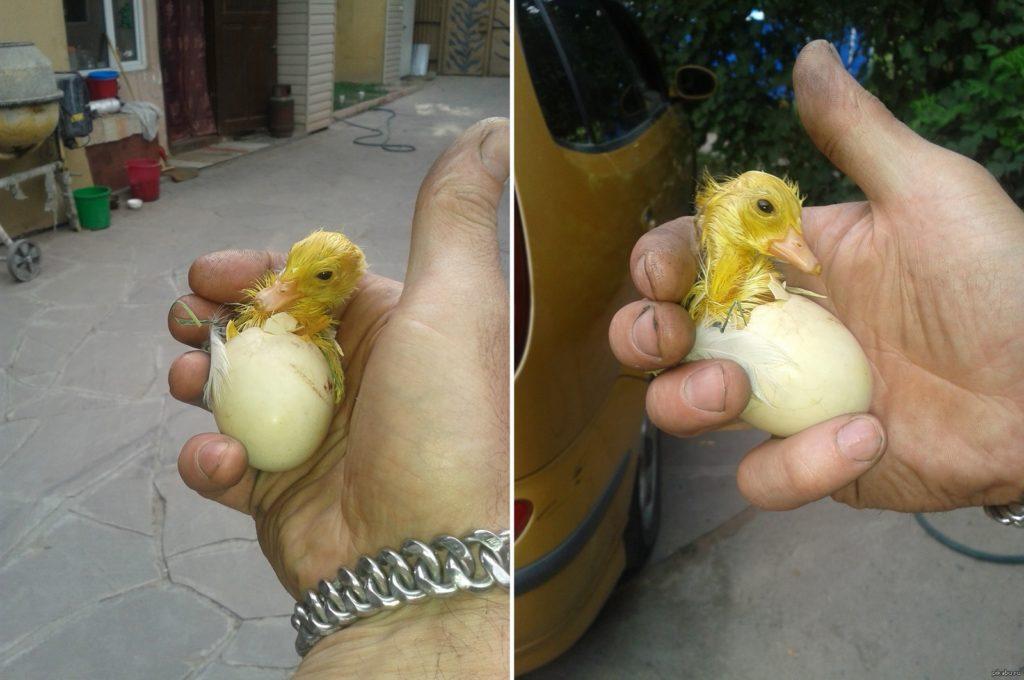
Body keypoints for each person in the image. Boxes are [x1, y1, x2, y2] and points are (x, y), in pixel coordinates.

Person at [609, 40, 1024, 513]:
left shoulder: (771, 304)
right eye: (766, 211)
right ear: (729, 212)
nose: (803, 251)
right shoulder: (715, 327)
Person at [166, 120, 510, 677]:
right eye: (295, 271)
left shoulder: (332, 347)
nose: (284, 288)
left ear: (344, 281)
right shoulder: (279, 324)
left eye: (320, 277)